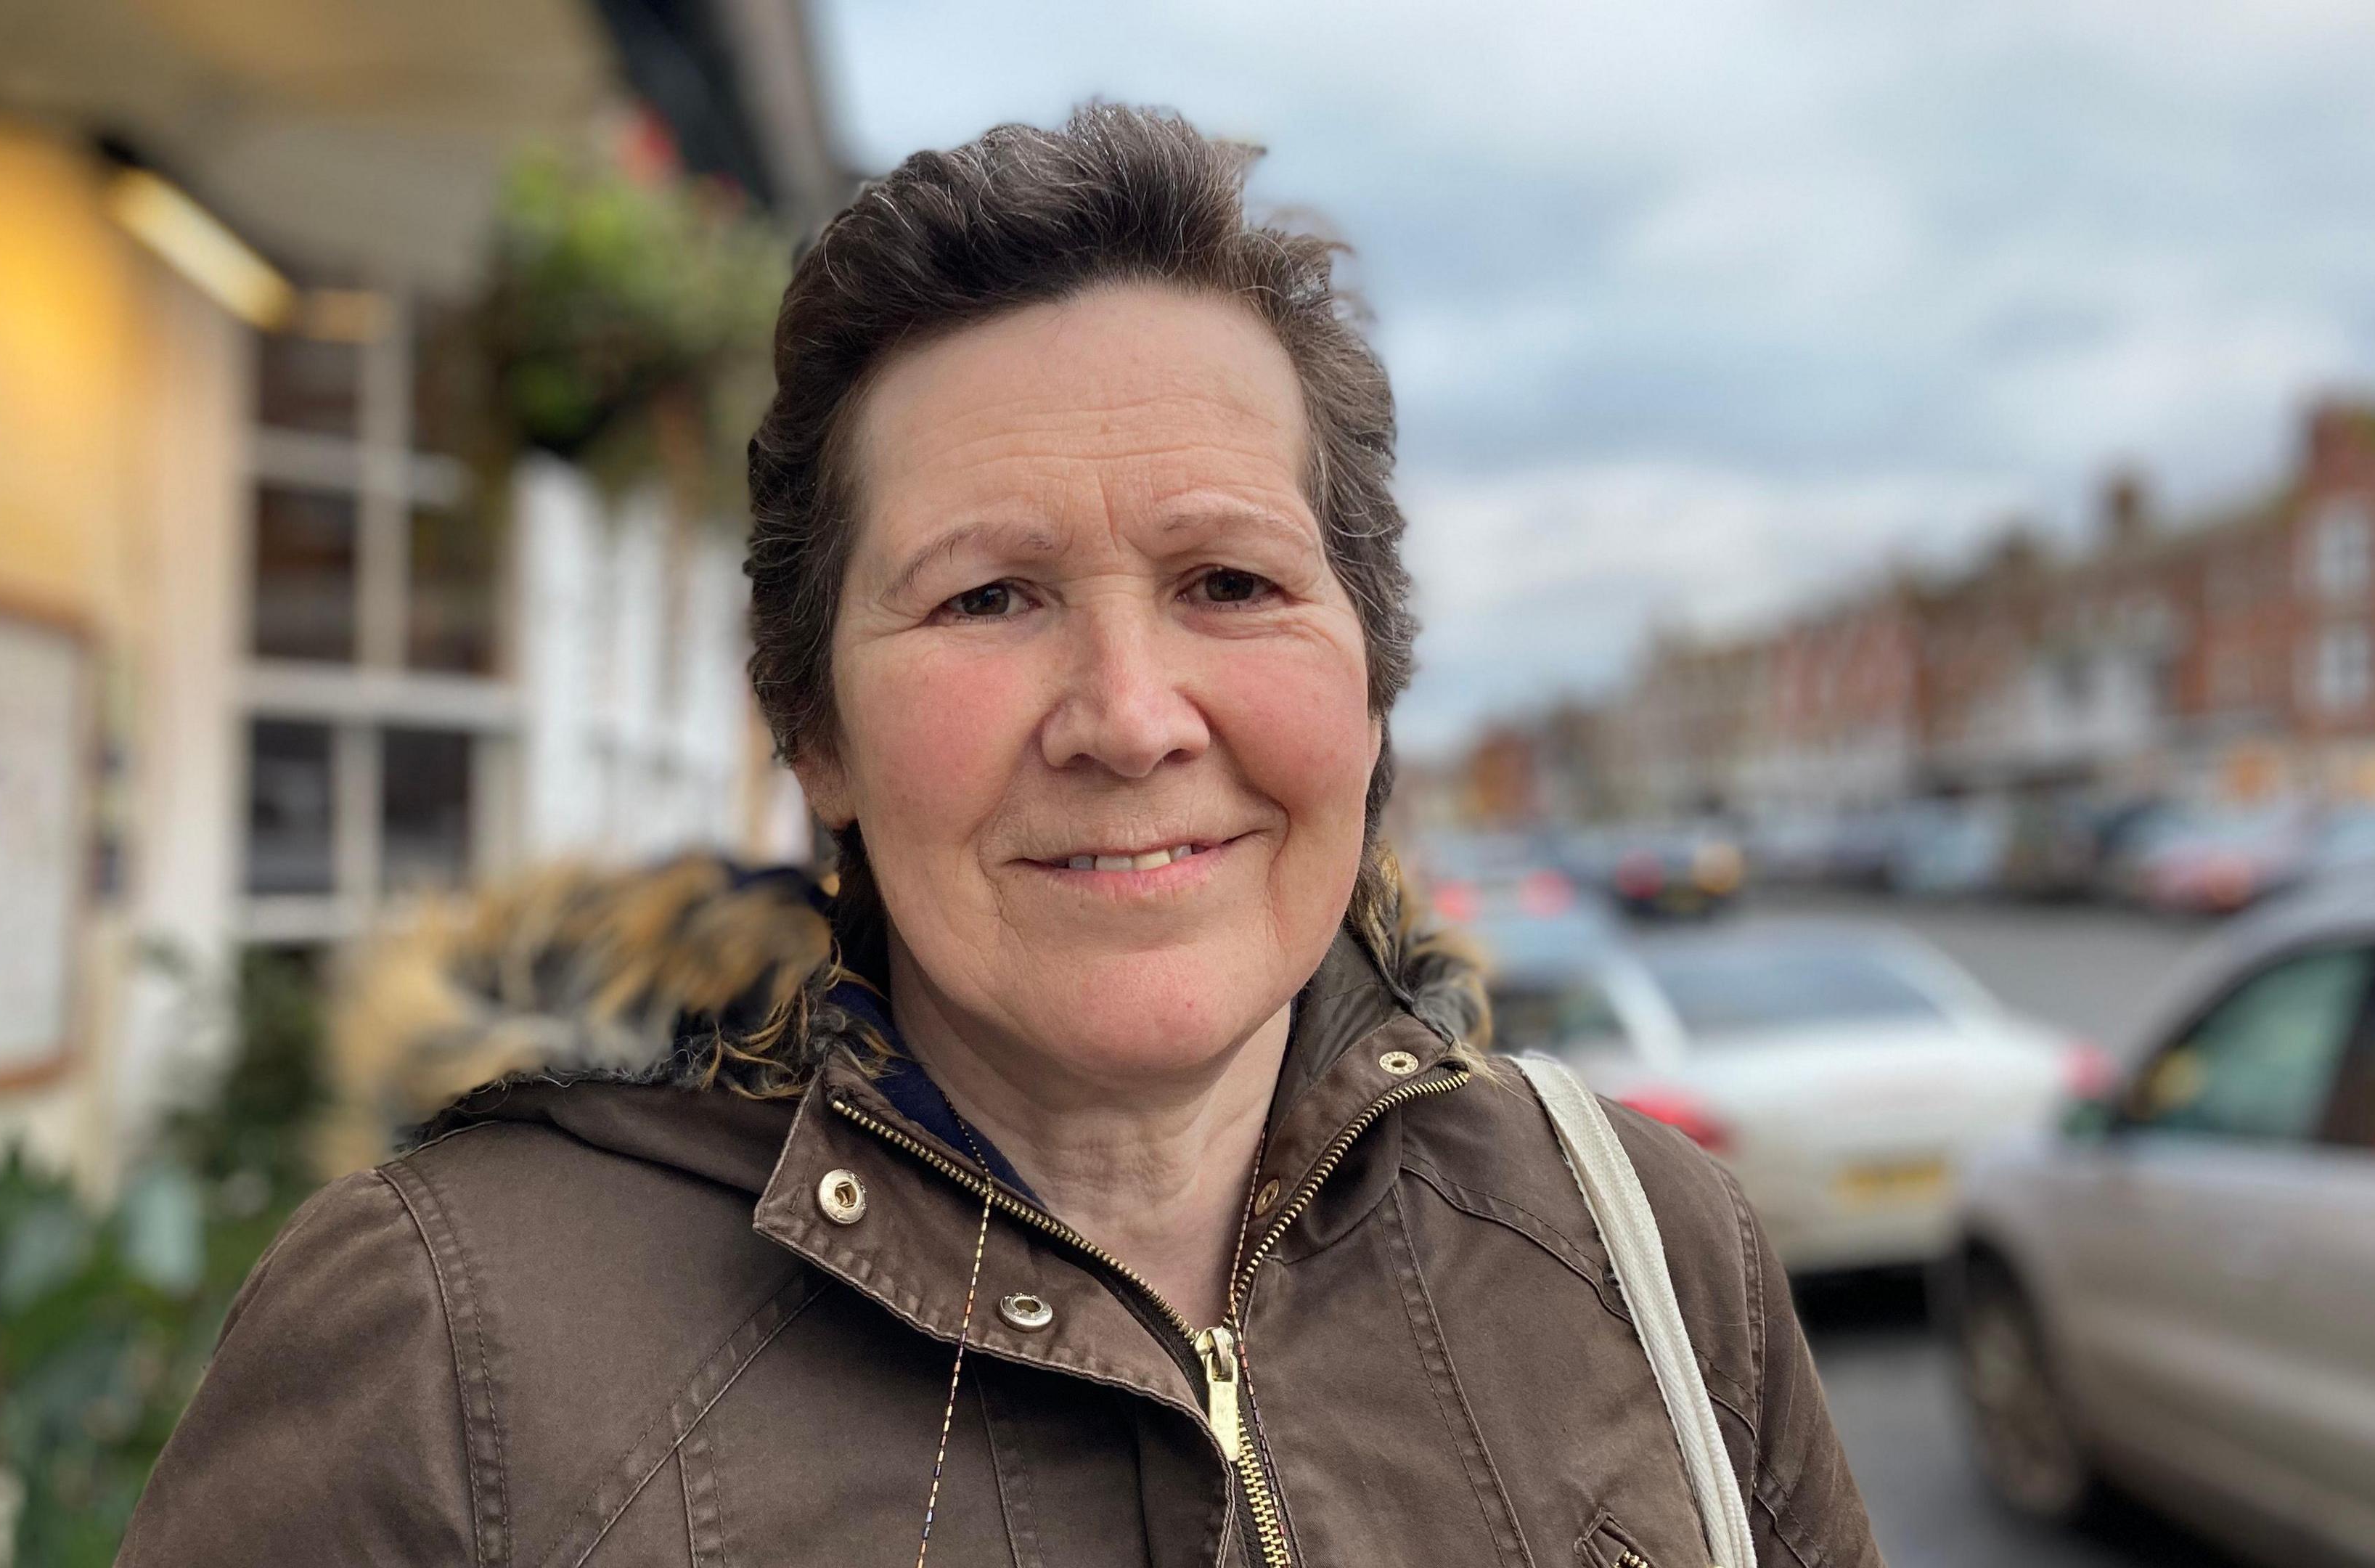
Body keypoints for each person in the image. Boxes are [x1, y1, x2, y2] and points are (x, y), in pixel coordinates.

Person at [118, 104, 1884, 1568]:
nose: (1128, 715)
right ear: (814, 728)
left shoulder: (1648, 1252)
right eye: (987, 597)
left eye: (1230, 582)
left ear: (1371, 673)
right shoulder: (452, 1342)